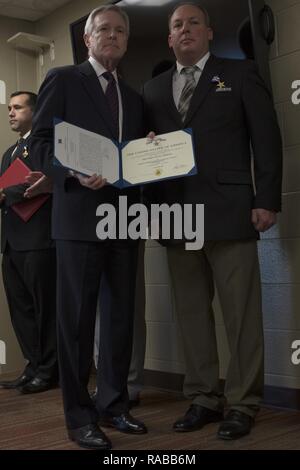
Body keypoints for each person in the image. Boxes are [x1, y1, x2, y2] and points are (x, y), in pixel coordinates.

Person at [142, 3, 282, 440]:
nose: (185, 29)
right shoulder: (152, 89)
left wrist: (267, 200)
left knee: (241, 315)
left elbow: (267, 138)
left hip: (231, 210)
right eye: (177, 25)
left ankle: (242, 402)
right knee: (191, 315)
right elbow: (148, 157)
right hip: (176, 217)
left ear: (208, 32)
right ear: (170, 39)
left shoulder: (239, 74)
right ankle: (203, 397)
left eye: (193, 23)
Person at [29, 5, 147, 450]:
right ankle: (79, 418)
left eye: (120, 31)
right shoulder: (63, 79)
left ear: (126, 41)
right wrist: (71, 173)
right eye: (104, 29)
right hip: (78, 218)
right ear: (88, 38)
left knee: (120, 320)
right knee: (77, 323)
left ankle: (114, 405)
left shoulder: (133, 97)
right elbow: (39, 144)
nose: (112, 36)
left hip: (124, 219)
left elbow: (134, 157)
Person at [0, 91, 57, 393]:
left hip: (38, 240)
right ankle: (33, 365)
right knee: (21, 310)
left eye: (18, 107)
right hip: (11, 243)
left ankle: (49, 371)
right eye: (9, 108)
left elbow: (43, 180)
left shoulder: (44, 145)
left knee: (44, 309)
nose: (11, 112)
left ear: (35, 112)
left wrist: (4, 195)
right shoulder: (10, 152)